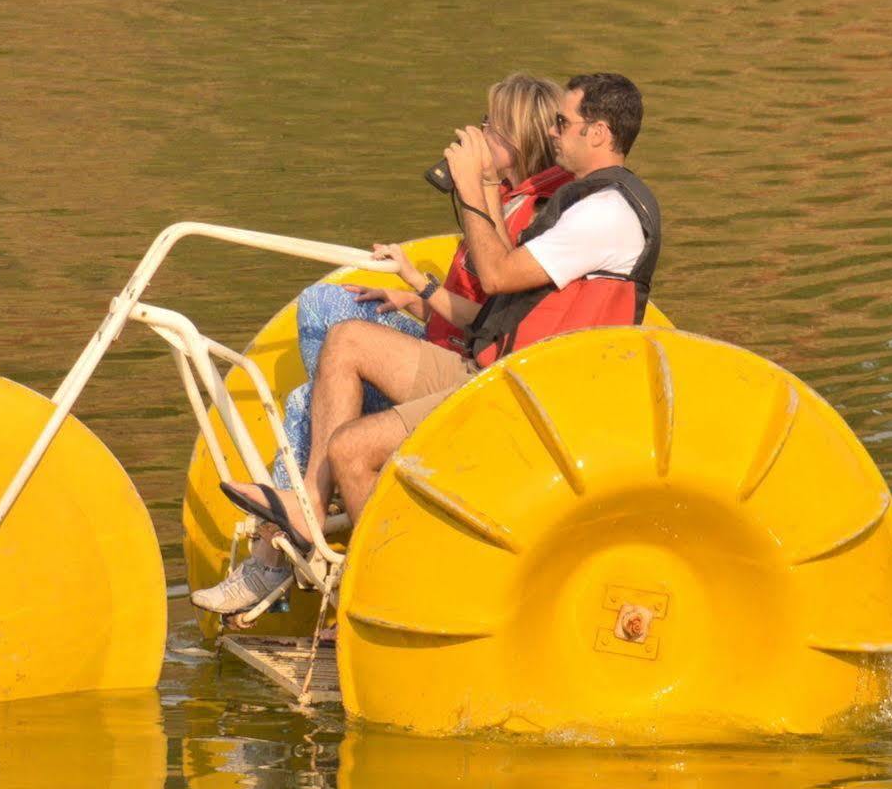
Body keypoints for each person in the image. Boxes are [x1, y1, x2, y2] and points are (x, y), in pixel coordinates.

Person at [195, 73, 659, 615]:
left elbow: (499, 274)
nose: (557, 133)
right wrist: (437, 263)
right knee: (345, 338)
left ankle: (387, 596)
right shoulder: (581, 203)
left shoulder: (608, 211)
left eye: (566, 122)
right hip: (494, 370)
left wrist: (470, 189)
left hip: (526, 398)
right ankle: (310, 511)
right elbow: (501, 300)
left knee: (350, 446)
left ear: (599, 133)